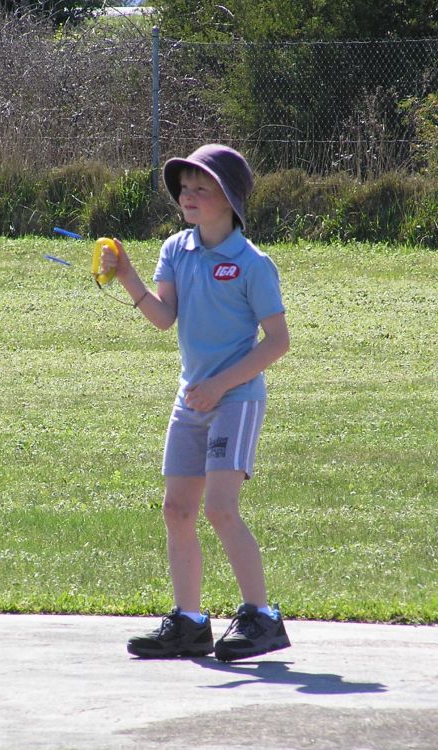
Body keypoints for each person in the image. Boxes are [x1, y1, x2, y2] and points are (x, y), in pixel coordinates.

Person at [101, 144, 291, 661]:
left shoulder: (253, 264)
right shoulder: (175, 249)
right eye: (185, 187)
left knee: (220, 508)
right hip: (191, 399)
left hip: (237, 398)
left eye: (201, 188)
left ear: (229, 199)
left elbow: (277, 342)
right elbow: (164, 317)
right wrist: (127, 274)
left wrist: (221, 385)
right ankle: (189, 623)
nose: (188, 195)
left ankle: (262, 617)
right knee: (177, 509)